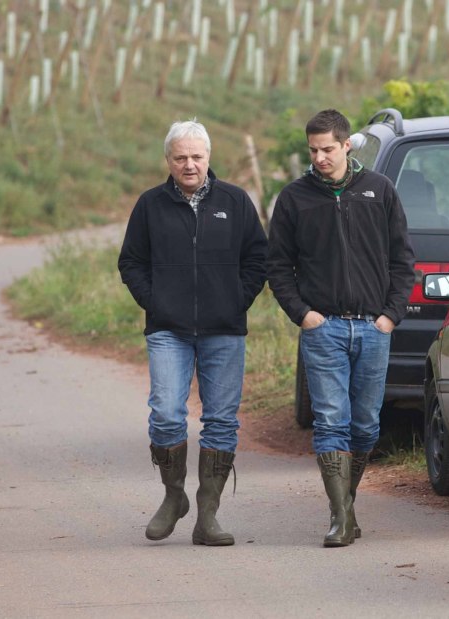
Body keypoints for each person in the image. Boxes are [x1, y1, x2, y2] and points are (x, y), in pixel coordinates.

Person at [267, 109, 415, 547]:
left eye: (328, 149)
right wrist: (303, 315)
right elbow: (278, 266)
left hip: (373, 327)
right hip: (323, 329)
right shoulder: (294, 198)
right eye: (313, 150)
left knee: (365, 425)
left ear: (347, 145)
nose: (320, 158)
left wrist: (391, 316)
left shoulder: (379, 190)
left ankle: (346, 505)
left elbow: (402, 259)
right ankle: (339, 518)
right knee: (331, 421)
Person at [118, 119, 268, 546]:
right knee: (166, 414)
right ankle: (173, 496)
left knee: (221, 420)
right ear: (168, 160)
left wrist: (236, 301)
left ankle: (208, 515)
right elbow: (131, 262)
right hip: (169, 329)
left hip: (225, 329)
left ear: (209, 157)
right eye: (180, 157)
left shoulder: (235, 202)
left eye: (196, 157)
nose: (189, 165)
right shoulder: (150, 205)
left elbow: (259, 258)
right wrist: (156, 302)